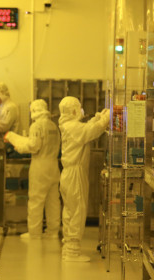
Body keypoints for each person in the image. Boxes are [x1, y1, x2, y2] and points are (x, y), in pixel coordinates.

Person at [58, 96, 110, 262]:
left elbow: (85, 129)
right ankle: (72, 252)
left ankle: (68, 248)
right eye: (79, 108)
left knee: (70, 211)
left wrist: (96, 118)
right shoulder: (72, 127)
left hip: (69, 174)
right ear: (73, 110)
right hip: (74, 175)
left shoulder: (68, 125)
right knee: (77, 211)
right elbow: (90, 132)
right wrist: (106, 119)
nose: (81, 110)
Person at [4, 99, 61, 240]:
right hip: (54, 166)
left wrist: (19, 147)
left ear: (34, 110)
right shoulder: (53, 125)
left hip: (40, 166)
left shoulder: (36, 126)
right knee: (53, 201)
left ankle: (34, 233)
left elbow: (33, 146)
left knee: (36, 200)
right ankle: (53, 231)